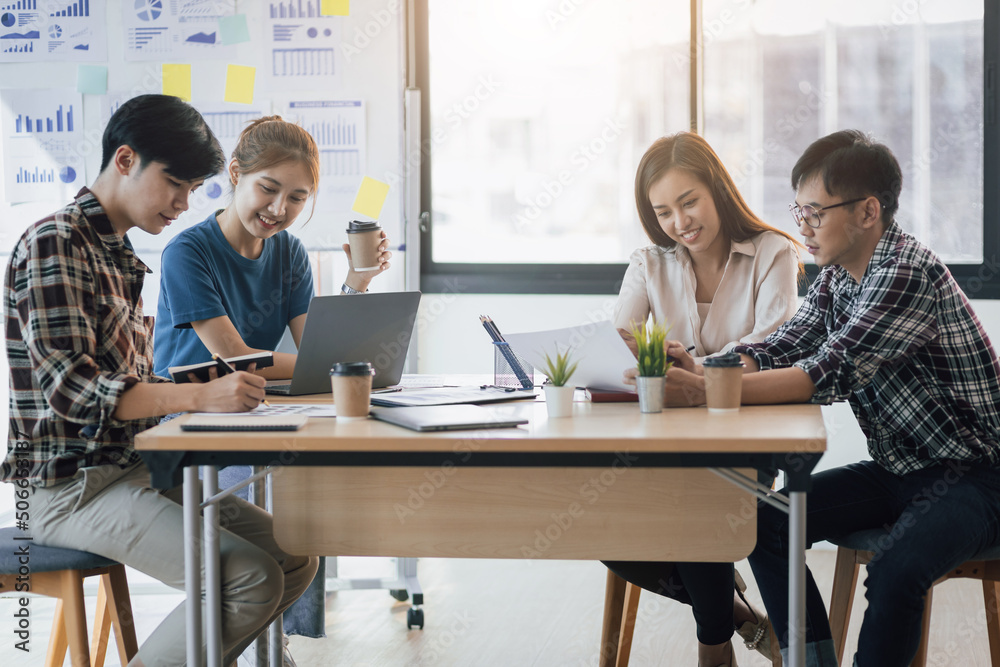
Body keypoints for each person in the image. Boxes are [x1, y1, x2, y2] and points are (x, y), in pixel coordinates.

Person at [658, 129, 1000, 666]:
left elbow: (825, 370)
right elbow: (786, 345)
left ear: (868, 212)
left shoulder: (907, 273)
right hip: (897, 470)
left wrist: (705, 390)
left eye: (815, 213)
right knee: (762, 520)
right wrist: (703, 366)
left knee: (896, 566)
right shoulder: (839, 275)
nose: (803, 228)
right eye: (799, 212)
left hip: (976, 476)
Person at [2, 94, 319, 666]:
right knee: (249, 579)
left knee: (295, 555)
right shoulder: (56, 243)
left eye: (194, 189)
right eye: (175, 183)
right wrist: (203, 393)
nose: (183, 202)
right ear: (125, 159)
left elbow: (133, 381)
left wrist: (195, 391)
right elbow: (75, 393)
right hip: (66, 490)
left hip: (133, 469)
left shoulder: (118, 253)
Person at [152, 115, 392, 661]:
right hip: (188, 421)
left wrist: (357, 285)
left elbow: (317, 348)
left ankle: (268, 636)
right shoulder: (188, 252)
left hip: (254, 409)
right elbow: (237, 357)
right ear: (235, 174)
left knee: (307, 501)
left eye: (297, 198)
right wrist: (324, 364)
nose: (280, 209)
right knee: (277, 515)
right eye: (268, 188)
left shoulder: (288, 254)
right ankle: (260, 638)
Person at [606, 131, 801, 667]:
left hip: (747, 437)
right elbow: (618, 342)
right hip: (665, 439)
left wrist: (696, 368)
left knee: (692, 497)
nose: (679, 222)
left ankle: (712, 644)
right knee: (592, 506)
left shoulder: (772, 252)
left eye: (689, 202)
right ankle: (736, 618)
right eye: (663, 211)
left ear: (717, 189)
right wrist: (645, 352)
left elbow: (778, 345)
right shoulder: (649, 262)